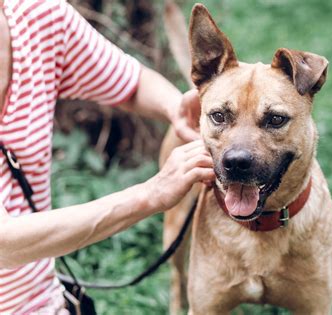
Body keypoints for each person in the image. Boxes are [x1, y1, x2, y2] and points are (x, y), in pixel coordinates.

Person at [0, 0, 215, 313]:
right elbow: (5, 243)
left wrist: (176, 108)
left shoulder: (35, 17)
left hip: (40, 303)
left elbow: (129, 83)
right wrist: (150, 194)